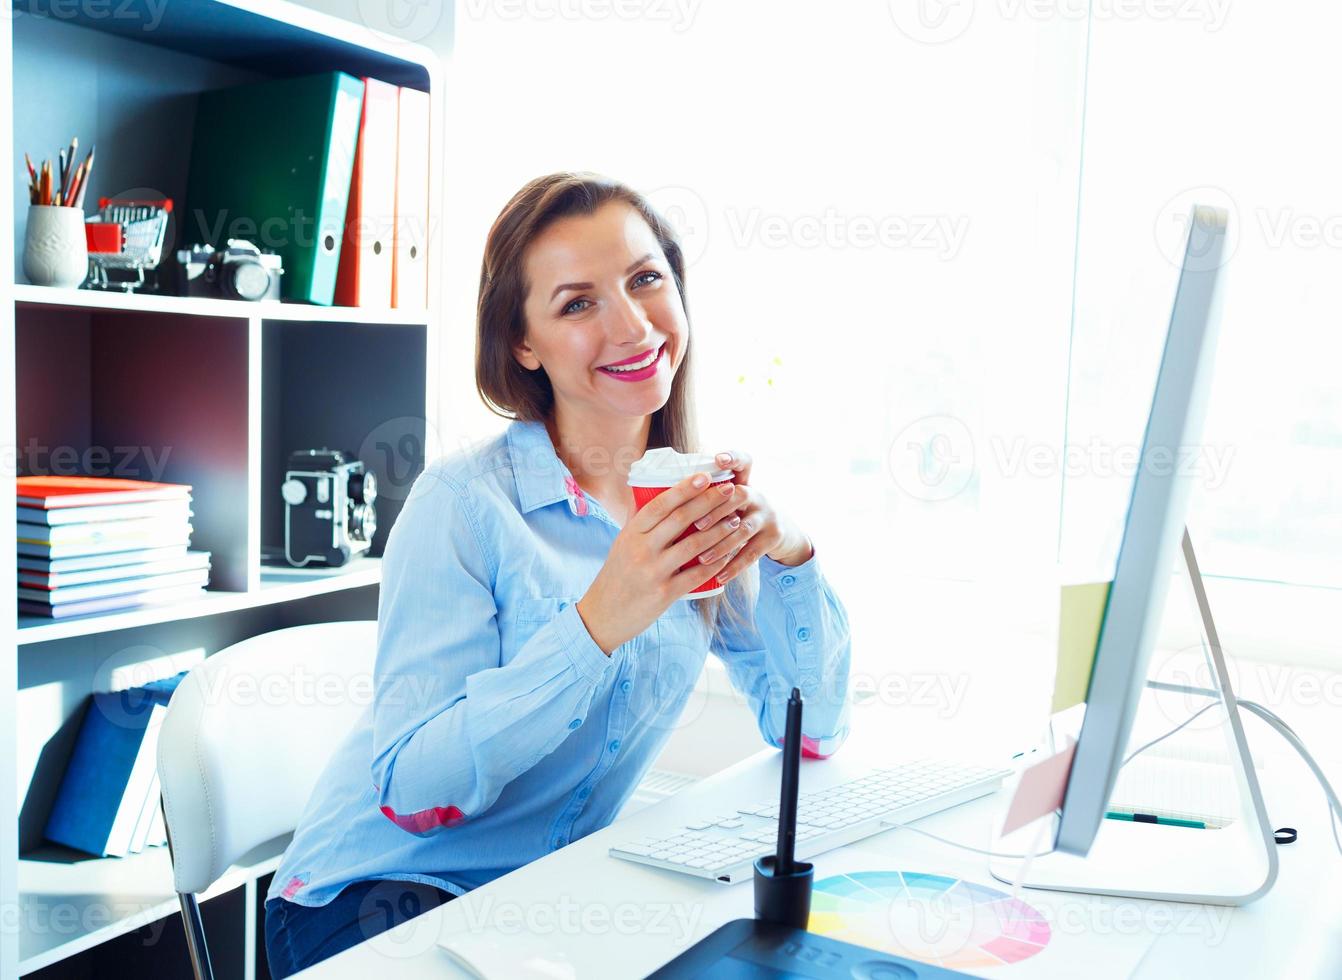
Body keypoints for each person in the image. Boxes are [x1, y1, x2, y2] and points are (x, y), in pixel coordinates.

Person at [263, 172, 852, 977]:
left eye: (646, 280)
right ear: (523, 344)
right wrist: (598, 622)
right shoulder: (463, 507)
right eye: (578, 304)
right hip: (376, 898)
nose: (634, 324)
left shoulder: (688, 499)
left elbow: (810, 728)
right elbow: (411, 789)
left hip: (545, 900)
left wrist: (791, 553)